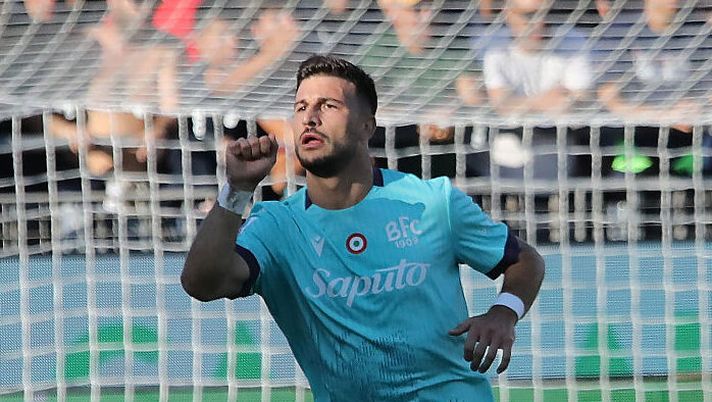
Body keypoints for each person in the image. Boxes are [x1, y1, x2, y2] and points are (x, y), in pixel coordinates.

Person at [181, 55, 545, 401]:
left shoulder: (432, 201)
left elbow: (524, 260)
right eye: (301, 107)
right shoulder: (276, 226)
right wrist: (236, 190)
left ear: (366, 125)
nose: (310, 118)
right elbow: (201, 284)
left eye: (328, 106)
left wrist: (504, 312)